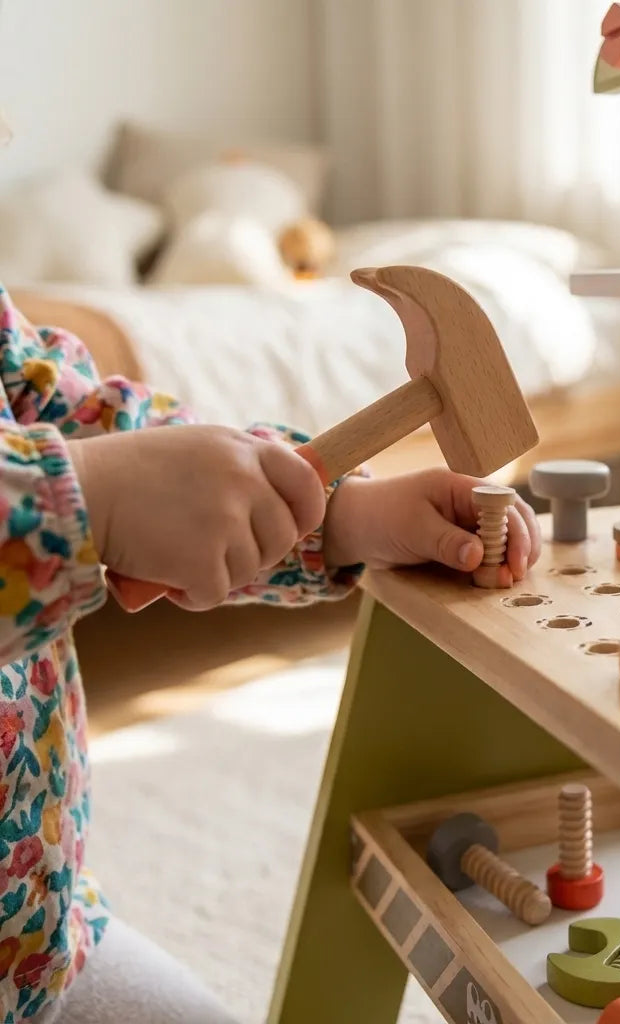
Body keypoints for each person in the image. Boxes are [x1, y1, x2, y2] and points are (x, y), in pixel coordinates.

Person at [0, 284, 540, 1023]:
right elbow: (99, 473)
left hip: (32, 941)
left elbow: (97, 426)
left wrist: (340, 516)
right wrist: (85, 499)